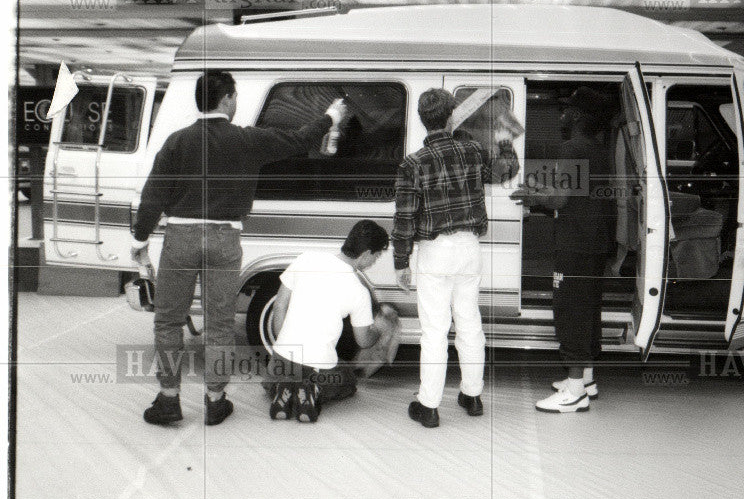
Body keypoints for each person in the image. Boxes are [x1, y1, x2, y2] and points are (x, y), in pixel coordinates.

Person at [131, 70, 345, 426]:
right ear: (227, 98)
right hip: (224, 239)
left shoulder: (176, 142)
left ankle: (169, 399)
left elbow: (153, 195)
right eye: (235, 96)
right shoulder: (246, 140)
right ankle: (216, 400)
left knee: (168, 321)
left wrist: (139, 240)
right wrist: (331, 117)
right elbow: (298, 140)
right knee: (218, 323)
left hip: (180, 238)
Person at [392, 88, 519, 428]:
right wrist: (506, 139)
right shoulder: (474, 151)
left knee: (434, 331)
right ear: (451, 118)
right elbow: (506, 172)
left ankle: (429, 406)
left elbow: (404, 218)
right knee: (470, 323)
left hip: (434, 253)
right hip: (469, 250)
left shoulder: (413, 164)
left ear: (423, 121)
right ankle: (473, 396)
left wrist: (401, 262)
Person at [513, 87, 615, 413]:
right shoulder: (597, 148)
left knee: (570, 311)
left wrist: (531, 195)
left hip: (575, 242)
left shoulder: (572, 148)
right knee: (589, 308)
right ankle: (585, 378)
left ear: (577, 116)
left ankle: (574, 393)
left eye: (567, 109)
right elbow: (573, 190)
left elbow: (561, 199)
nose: (563, 114)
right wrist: (541, 189)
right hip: (595, 242)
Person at [267, 220, 390, 423]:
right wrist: (380, 330)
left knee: (273, 377)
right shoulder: (358, 291)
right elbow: (363, 340)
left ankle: (284, 388)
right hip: (318, 368)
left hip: (281, 360)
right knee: (347, 379)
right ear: (366, 254)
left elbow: (279, 306)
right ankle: (310, 391)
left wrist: (286, 348)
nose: (373, 263)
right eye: (376, 258)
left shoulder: (306, 259)